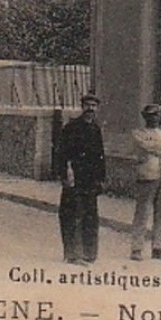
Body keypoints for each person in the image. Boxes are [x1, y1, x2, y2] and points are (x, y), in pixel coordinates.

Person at [52, 93, 106, 264]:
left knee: (90, 216)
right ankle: (72, 254)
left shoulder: (96, 129)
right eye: (87, 105)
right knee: (71, 214)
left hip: (90, 180)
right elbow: (61, 153)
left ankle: (89, 253)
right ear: (82, 107)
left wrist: (101, 178)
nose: (90, 109)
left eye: (94, 106)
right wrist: (64, 174)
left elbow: (100, 156)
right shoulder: (72, 127)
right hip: (75, 178)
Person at [130, 104, 161, 261]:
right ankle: (137, 248)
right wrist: (160, 150)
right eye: (151, 115)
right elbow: (143, 146)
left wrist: (154, 150)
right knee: (142, 212)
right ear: (145, 117)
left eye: (157, 115)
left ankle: (158, 247)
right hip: (147, 175)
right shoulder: (138, 133)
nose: (154, 118)